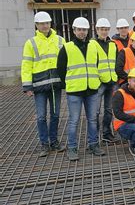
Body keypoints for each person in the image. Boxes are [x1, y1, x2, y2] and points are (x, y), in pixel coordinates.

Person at [57, 17, 105, 161]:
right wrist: (68, 85)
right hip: (75, 91)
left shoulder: (93, 46)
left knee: (92, 119)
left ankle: (93, 145)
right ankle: (72, 148)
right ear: (74, 30)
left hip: (91, 90)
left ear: (87, 31)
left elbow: (95, 64)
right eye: (79, 30)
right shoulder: (67, 47)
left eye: (84, 30)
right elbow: (60, 69)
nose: (82, 32)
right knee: (74, 121)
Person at [21, 11, 65, 157]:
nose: (45, 26)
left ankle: (54, 142)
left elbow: (66, 61)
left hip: (55, 85)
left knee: (55, 115)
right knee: (41, 117)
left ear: (50, 23)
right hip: (39, 86)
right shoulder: (31, 43)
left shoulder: (60, 40)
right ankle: (44, 144)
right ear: (36, 25)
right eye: (41, 24)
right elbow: (26, 65)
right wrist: (27, 86)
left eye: (47, 23)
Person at [91, 18, 118, 143]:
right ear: (97, 30)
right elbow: (91, 64)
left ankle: (106, 133)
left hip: (111, 82)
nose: (104, 32)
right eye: (102, 29)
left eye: (106, 29)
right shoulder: (92, 44)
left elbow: (116, 63)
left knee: (108, 110)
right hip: (99, 83)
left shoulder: (113, 44)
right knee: (95, 111)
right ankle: (94, 135)